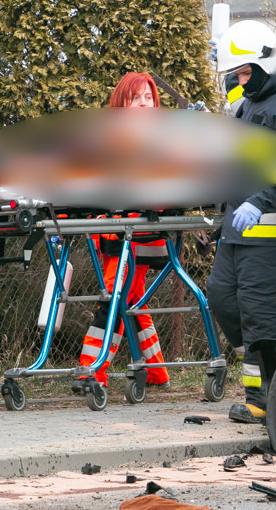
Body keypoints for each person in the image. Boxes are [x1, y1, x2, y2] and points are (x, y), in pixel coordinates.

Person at [207, 20, 276, 424]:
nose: (239, 81)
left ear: (265, 63)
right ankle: (274, 368)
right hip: (240, 231)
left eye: (242, 72)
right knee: (222, 298)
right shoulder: (246, 105)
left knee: (262, 313)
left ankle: (265, 397)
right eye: (235, 75)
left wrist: (260, 200)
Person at [75, 72, 170, 390]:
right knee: (132, 298)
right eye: (136, 98)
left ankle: (92, 370)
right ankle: (156, 371)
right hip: (114, 234)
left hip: (140, 233)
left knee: (115, 298)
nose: (144, 104)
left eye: (148, 98)